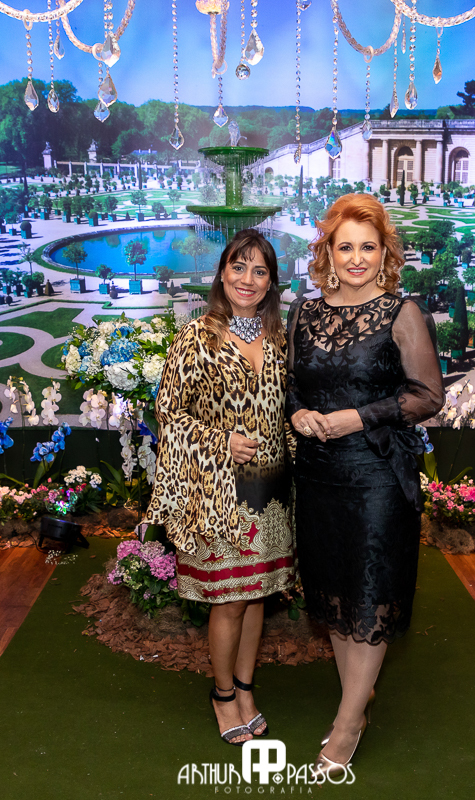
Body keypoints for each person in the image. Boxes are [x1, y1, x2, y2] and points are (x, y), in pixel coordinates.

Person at [286, 194, 445, 778]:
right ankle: (358, 696)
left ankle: (349, 721)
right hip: (318, 475)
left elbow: (428, 395)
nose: (356, 258)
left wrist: (360, 417)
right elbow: (290, 385)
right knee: (335, 593)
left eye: (368, 247)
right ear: (327, 251)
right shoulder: (303, 313)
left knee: (371, 591)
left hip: (378, 475)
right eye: (345, 246)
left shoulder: (402, 312)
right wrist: (298, 412)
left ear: (385, 253)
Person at [145, 228, 295, 746]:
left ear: (271, 282)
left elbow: (287, 412)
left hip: (272, 493)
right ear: (222, 272)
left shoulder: (279, 338)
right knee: (229, 600)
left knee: (257, 596)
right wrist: (218, 441)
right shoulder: (195, 337)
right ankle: (223, 694)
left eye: (260, 270)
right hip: (216, 494)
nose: (247, 279)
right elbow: (168, 413)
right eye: (239, 266)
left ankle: (246, 689)